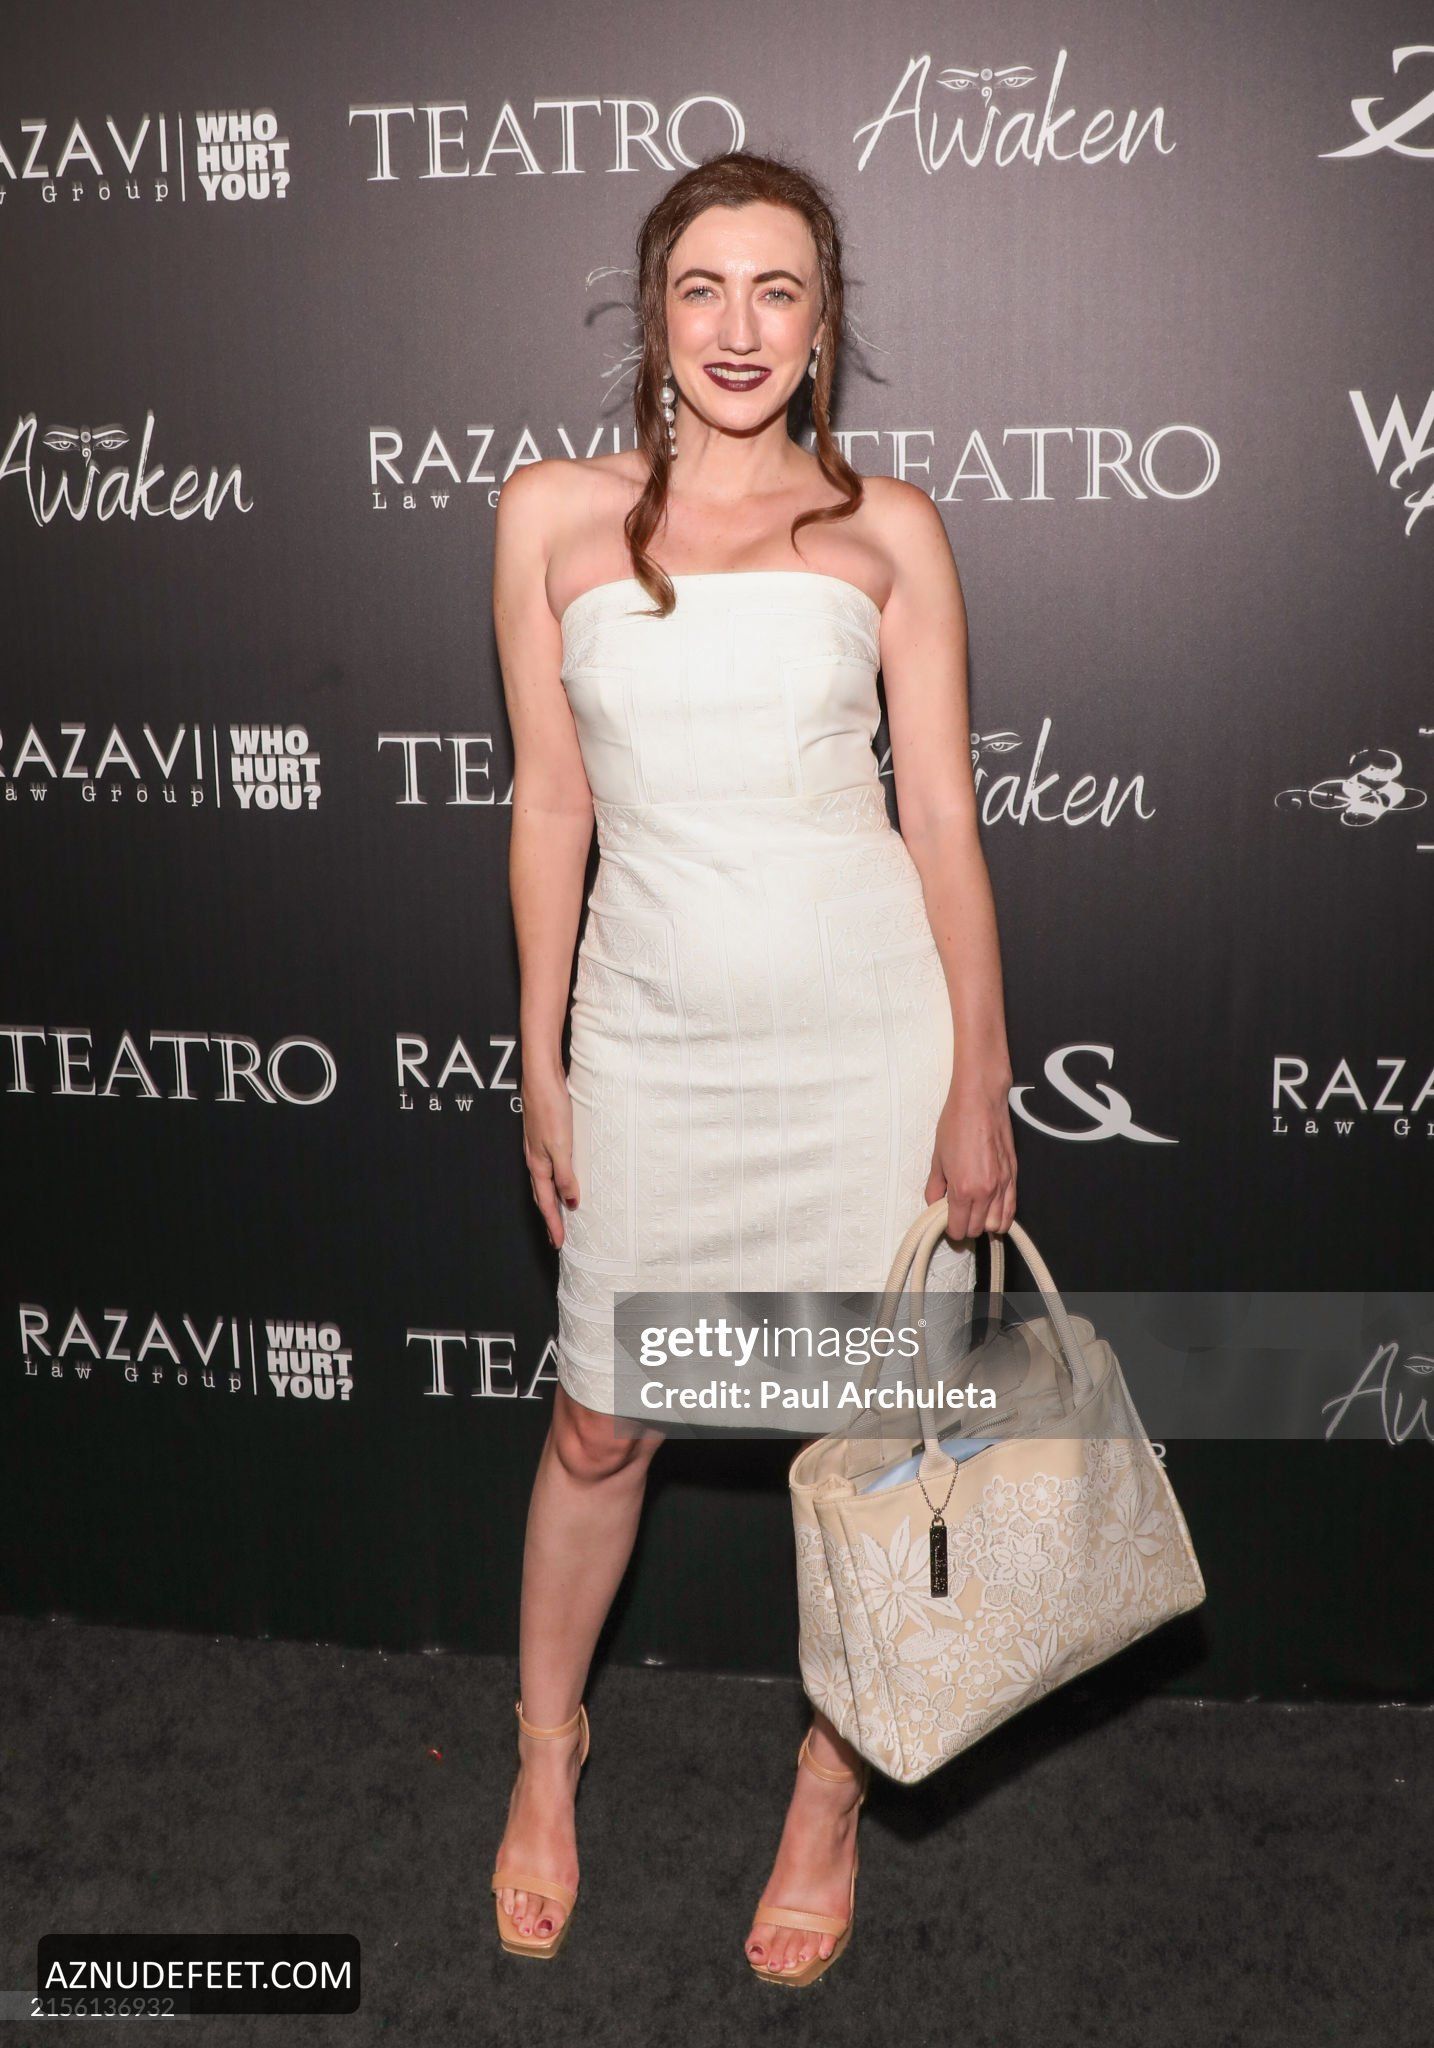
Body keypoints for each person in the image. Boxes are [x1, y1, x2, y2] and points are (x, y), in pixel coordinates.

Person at [489, 148, 1017, 1983]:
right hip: (650, 1043)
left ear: (820, 324)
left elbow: (939, 820)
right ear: (652, 315)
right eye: (701, 287)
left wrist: (977, 1080)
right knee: (598, 1421)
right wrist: (542, 1056)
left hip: (867, 1047)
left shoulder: (888, 531)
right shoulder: (549, 514)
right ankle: (544, 1754)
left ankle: (829, 1790)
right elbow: (548, 803)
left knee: (876, 1451)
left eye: (775, 290)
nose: (737, 327)